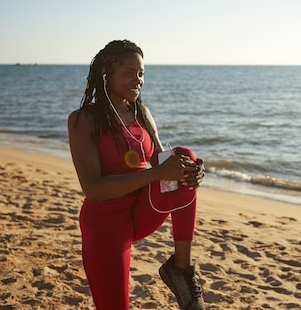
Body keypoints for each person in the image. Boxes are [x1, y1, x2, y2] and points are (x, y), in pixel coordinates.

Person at [67, 39, 206, 310]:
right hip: (105, 224)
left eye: (141, 73)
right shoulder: (83, 120)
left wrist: (191, 173)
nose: (137, 80)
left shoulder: (142, 113)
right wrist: (158, 173)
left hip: (144, 209)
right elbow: (93, 190)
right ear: (107, 72)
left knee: (185, 156)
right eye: (129, 73)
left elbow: (162, 165)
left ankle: (181, 268)